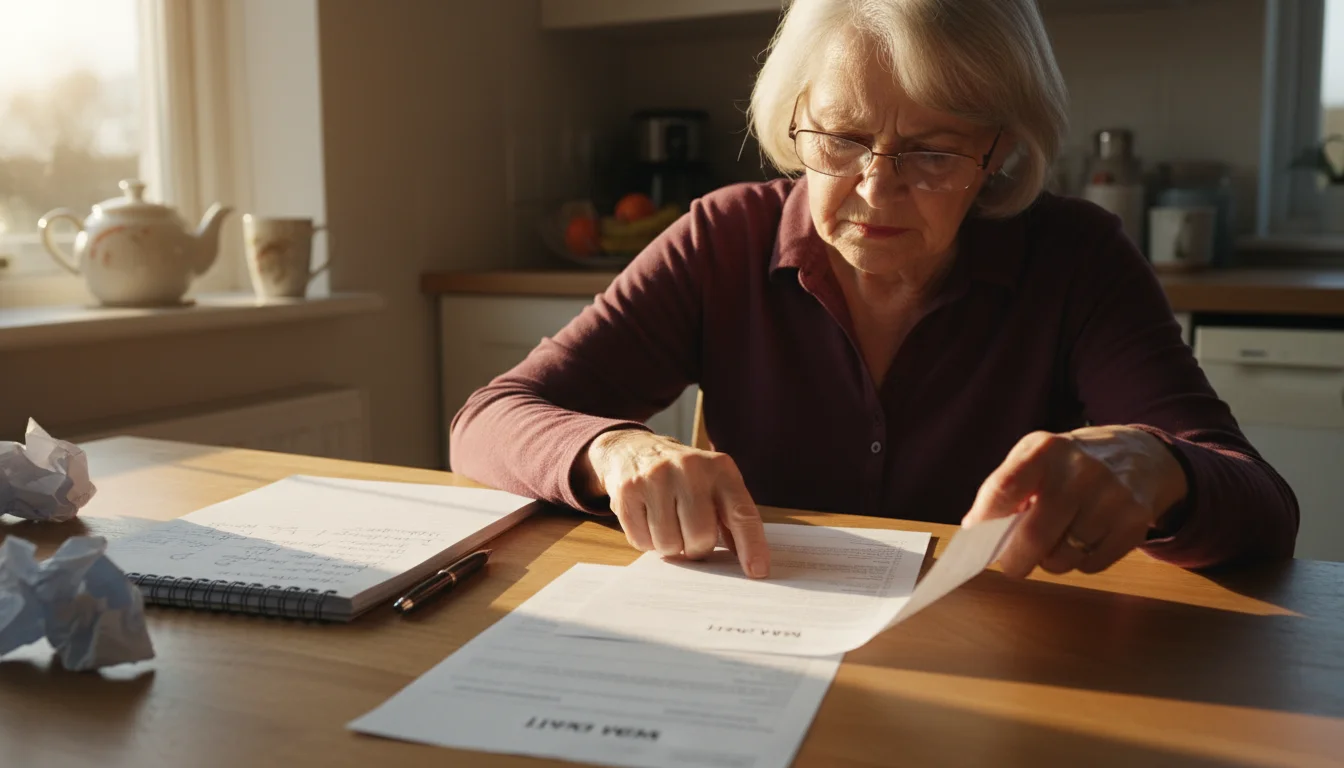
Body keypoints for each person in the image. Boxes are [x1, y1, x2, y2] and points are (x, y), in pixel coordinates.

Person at [451, 0, 1297, 580]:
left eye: (932, 152)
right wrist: (616, 450)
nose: (875, 190)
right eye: (844, 138)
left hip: (983, 664)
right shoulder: (724, 237)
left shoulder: (1075, 257)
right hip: (756, 654)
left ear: (999, 152)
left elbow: (1261, 508)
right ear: (793, 117)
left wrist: (1162, 468)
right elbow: (487, 420)